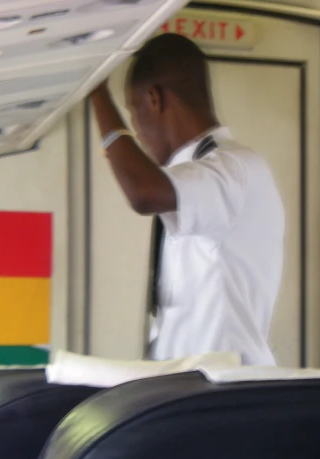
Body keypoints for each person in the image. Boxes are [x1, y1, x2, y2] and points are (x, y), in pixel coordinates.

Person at [89, 33, 285, 365]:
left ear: (154, 99)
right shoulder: (198, 174)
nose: (137, 132)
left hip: (224, 392)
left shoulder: (234, 166)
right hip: (190, 385)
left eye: (133, 115)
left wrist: (97, 94)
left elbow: (143, 193)